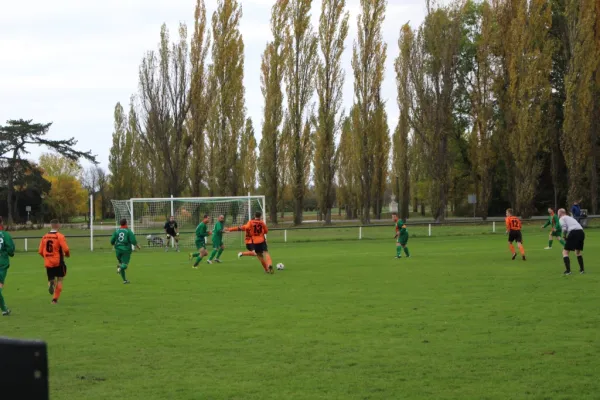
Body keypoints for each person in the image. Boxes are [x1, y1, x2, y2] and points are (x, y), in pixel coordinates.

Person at [39, 219, 70, 304]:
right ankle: (54, 300)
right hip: (58, 262)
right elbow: (66, 249)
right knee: (60, 279)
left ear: (51, 225)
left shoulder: (44, 237)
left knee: (51, 279)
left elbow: (40, 251)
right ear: (58, 225)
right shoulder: (59, 236)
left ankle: (51, 284)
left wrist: (46, 257)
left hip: (48, 263)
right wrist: (67, 254)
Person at [110, 218, 140, 284]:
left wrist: (113, 244)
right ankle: (119, 267)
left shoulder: (117, 231)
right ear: (126, 223)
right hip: (125, 250)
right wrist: (137, 246)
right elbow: (133, 241)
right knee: (125, 265)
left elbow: (112, 240)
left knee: (121, 263)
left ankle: (124, 280)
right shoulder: (128, 231)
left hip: (117, 250)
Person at [557, 208, 585, 275]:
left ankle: (568, 271)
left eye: (558, 213)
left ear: (560, 213)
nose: (557, 214)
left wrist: (564, 236)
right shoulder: (570, 217)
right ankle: (582, 270)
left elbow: (564, 228)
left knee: (565, 252)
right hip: (581, 232)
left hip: (574, 232)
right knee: (578, 252)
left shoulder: (562, 218)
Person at [0, 217, 15, 315]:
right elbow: (11, 249)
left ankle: (4, 309)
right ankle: (4, 309)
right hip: (2, 263)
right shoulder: (5, 235)